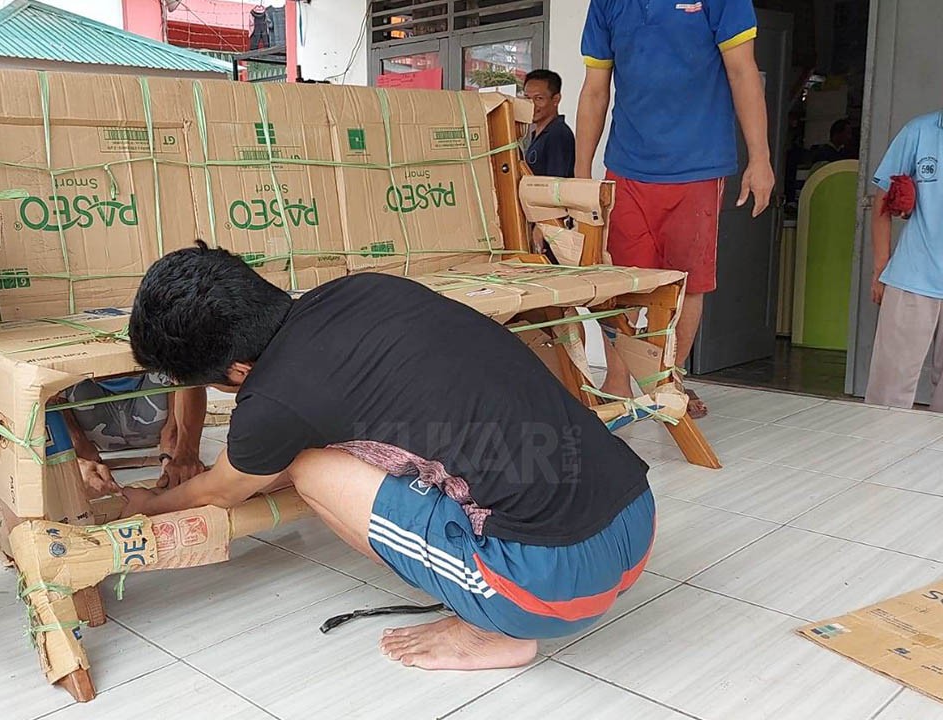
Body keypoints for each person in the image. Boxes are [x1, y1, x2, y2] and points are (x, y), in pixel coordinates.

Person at [109, 243, 655, 670]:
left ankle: (492, 631)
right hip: (634, 514)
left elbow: (216, 492)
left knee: (306, 466)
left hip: (551, 586)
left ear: (237, 372)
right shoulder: (362, 289)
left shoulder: (272, 396)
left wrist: (143, 503)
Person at [576, 0, 775, 418]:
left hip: (698, 166)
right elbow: (595, 87)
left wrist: (761, 157)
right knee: (621, 284)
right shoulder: (607, 4)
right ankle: (618, 379)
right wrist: (580, 176)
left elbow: (742, 72)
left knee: (687, 284)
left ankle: (668, 378)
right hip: (627, 167)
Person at [865, 110, 943, 411]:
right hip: (913, 276)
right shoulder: (919, 131)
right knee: (889, 391)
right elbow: (882, 200)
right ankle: (879, 455)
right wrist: (880, 268)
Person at [62, 375, 208, 491]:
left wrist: (186, 449)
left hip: (155, 408)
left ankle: (174, 441)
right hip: (88, 416)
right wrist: (75, 446)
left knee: (180, 352)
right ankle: (78, 448)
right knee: (49, 371)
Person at [523, 69, 575, 178]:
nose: (531, 104)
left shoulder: (558, 134)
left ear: (556, 99)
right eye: (527, 98)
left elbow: (557, 183)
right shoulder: (535, 134)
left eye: (539, 98)